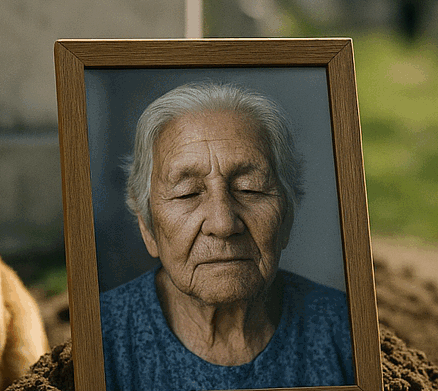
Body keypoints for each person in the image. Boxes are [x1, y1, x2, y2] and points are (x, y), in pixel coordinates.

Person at [99, 82, 354, 390]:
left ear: (286, 217)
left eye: (249, 189)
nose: (222, 224)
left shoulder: (346, 327)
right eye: (187, 193)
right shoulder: (100, 337)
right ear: (147, 226)